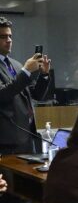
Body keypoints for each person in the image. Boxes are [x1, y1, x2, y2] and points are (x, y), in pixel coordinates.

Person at [0, 17, 53, 154]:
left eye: (10, 36)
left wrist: (44, 75)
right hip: (7, 143)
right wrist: (26, 71)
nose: (9, 40)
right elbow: (3, 94)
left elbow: (36, 95)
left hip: (28, 138)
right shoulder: (22, 68)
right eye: (3, 37)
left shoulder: (16, 64)